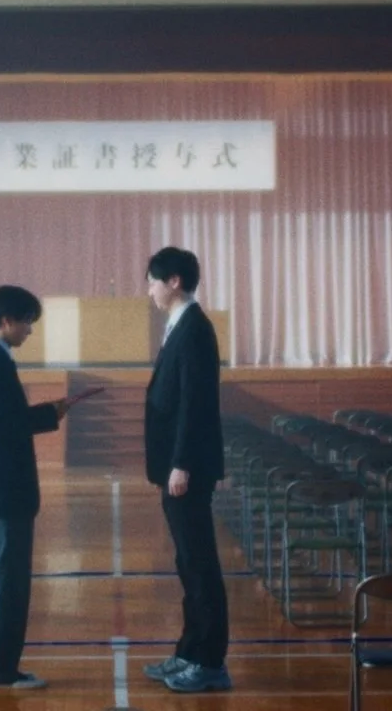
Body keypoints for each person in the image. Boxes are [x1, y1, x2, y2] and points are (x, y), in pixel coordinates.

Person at [0, 284, 74, 691]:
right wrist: (47, 414)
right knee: (7, 582)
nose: (29, 330)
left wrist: (46, 413)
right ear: (6, 320)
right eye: (26, 322)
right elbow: (2, 427)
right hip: (4, 493)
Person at [139, 246, 231, 693]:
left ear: (174, 281)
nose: (149, 290)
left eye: (153, 280)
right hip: (177, 465)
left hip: (187, 468)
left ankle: (210, 662)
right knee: (187, 563)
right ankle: (190, 651)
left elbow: (194, 406)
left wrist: (181, 464)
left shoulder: (194, 327)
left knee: (200, 564)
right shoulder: (181, 325)